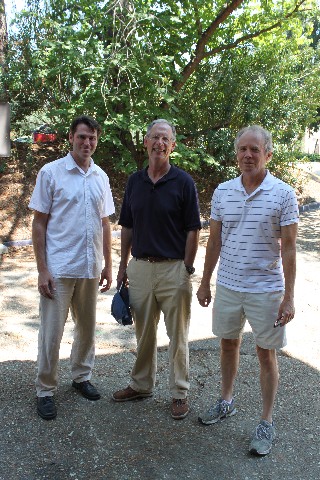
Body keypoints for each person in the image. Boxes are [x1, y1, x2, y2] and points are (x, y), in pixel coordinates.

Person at [196, 125, 299, 455]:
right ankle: (226, 401)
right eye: (243, 149)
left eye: (255, 149)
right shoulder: (223, 192)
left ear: (268, 154)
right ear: (236, 153)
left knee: (265, 354)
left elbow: (290, 248)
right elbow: (213, 241)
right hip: (228, 285)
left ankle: (266, 422)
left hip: (266, 290)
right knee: (228, 344)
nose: (248, 155)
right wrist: (204, 282)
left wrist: (289, 297)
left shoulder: (283, 194)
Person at [112, 119, 201, 419]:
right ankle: (141, 385)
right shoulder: (135, 182)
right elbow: (128, 226)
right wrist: (123, 266)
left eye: (166, 139)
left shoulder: (184, 182)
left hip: (173, 270)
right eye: (155, 138)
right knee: (143, 333)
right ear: (146, 142)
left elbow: (193, 230)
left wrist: (187, 268)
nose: (159, 143)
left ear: (172, 146)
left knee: (177, 336)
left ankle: (179, 392)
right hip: (140, 269)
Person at [29, 115, 115, 420]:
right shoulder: (51, 173)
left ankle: (81, 377)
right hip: (60, 268)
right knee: (51, 333)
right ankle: (45, 390)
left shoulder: (101, 178)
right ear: (70, 138)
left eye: (92, 138)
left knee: (87, 331)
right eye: (82, 137)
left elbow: (105, 224)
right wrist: (42, 269)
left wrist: (108, 265)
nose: (87, 143)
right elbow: (38, 224)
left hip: (91, 268)